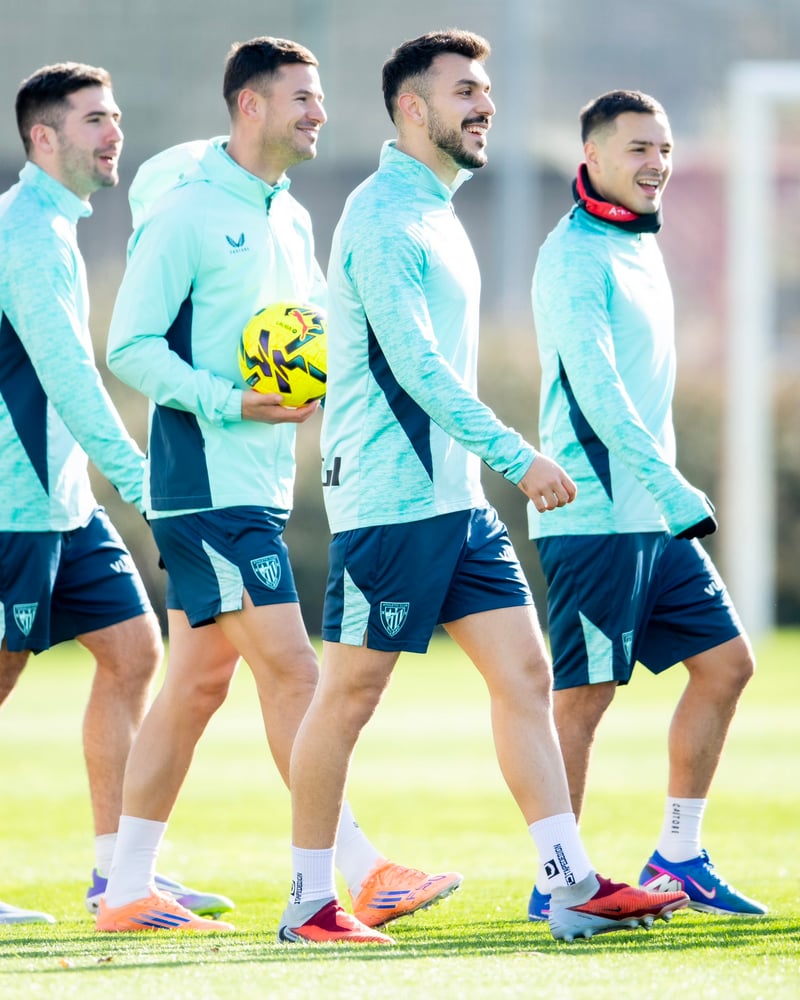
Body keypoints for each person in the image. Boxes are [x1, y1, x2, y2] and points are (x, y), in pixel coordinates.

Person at [278, 30, 690, 946]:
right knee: (348, 696)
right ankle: (309, 904)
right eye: (465, 90)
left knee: (526, 675)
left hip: (454, 501)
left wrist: (485, 469)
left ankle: (569, 885)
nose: (486, 105)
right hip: (391, 500)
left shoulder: (435, 209)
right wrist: (519, 456)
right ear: (412, 107)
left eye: (486, 90)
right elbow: (415, 365)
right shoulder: (384, 215)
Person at [97, 36, 461, 934]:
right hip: (204, 485)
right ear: (250, 105)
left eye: (320, 98)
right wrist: (232, 401)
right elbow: (129, 346)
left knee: (195, 687)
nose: (319, 113)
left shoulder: (292, 218)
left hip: (257, 482)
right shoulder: (187, 214)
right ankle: (359, 873)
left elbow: (309, 339)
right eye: (302, 98)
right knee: (298, 672)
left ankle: (127, 887)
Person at [526, 88, 765, 921]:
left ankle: (679, 857)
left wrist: (661, 494)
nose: (656, 163)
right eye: (638, 148)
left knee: (727, 664)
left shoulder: (637, 243)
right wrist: (670, 485)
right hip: (595, 517)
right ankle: (558, 879)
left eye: (663, 147)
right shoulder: (573, 256)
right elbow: (597, 391)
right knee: (584, 699)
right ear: (590, 156)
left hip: (651, 515)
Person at [0, 63, 230, 926]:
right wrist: (149, 489)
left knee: (134, 655)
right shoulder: (26, 233)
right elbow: (69, 380)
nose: (114, 133)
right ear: (44, 138)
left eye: (116, 116)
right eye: (94, 119)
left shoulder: (53, 225)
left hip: (62, 501)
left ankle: (119, 875)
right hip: (14, 506)